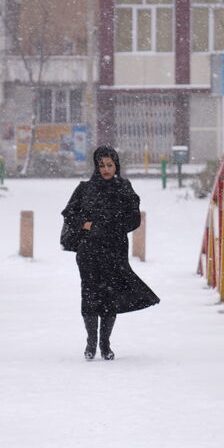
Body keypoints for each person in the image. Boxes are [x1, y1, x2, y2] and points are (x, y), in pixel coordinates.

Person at [61, 146, 160, 360]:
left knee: (109, 295)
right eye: (101, 165)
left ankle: (105, 344)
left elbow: (134, 219)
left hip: (114, 249)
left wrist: (115, 225)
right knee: (89, 294)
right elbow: (69, 214)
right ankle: (90, 343)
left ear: (116, 165)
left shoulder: (124, 188)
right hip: (89, 250)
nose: (106, 169)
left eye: (109, 165)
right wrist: (85, 224)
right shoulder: (85, 188)